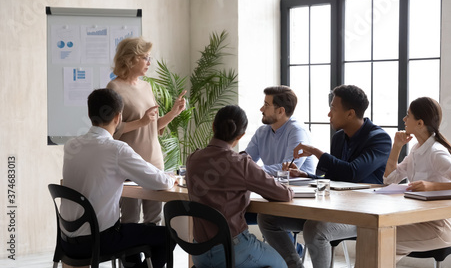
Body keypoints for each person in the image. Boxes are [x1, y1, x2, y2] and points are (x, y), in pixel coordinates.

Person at [258, 84, 392, 268]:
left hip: (363, 214)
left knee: (315, 229)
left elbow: (352, 173)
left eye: (333, 109)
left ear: (350, 114)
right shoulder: (338, 138)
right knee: (267, 218)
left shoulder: (380, 139)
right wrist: (306, 175)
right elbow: (334, 180)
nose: (329, 114)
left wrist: (314, 151)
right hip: (335, 209)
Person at [61, 88, 176, 268]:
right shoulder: (116, 149)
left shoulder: (71, 145)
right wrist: (171, 178)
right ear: (118, 117)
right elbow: (159, 182)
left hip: (67, 240)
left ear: (90, 114)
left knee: (131, 231)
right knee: (168, 235)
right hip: (99, 241)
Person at [186, 105, 293, 268]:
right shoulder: (241, 163)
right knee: (282, 264)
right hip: (233, 250)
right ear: (241, 135)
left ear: (214, 126)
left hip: (198, 252)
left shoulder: (192, 159)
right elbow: (284, 195)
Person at [383, 96, 451, 261]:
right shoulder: (416, 149)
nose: (404, 119)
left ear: (420, 123)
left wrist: (432, 186)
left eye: (408, 115)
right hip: (418, 222)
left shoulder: (436, 152)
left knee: (381, 238)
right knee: (379, 242)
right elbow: (389, 180)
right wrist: (397, 146)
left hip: (439, 229)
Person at [107, 36, 186, 225]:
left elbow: (151, 126)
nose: (149, 63)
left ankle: (151, 256)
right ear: (130, 59)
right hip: (129, 163)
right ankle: (131, 256)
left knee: (154, 218)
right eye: (145, 58)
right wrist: (141, 122)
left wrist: (174, 113)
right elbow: (112, 129)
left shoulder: (146, 86)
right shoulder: (114, 87)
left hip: (154, 161)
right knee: (130, 218)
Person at [245, 86, 315, 177]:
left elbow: (287, 169)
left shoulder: (297, 131)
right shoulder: (261, 132)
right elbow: (245, 161)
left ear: (281, 111)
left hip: (299, 189)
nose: (261, 109)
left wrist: (251, 170)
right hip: (273, 187)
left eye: (266, 105)